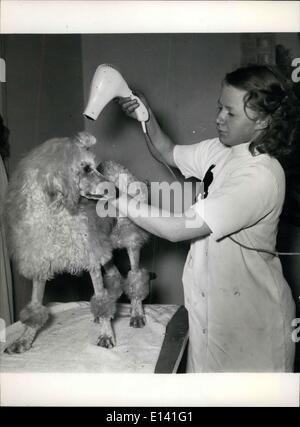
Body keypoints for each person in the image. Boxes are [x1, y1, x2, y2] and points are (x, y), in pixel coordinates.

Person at [111, 65, 299, 372]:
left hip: (253, 326)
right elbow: (168, 151)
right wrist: (146, 117)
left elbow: (176, 229)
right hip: (214, 315)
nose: (218, 119)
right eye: (219, 108)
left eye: (230, 113)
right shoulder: (223, 150)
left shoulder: (260, 176)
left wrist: (114, 199)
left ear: (264, 121)